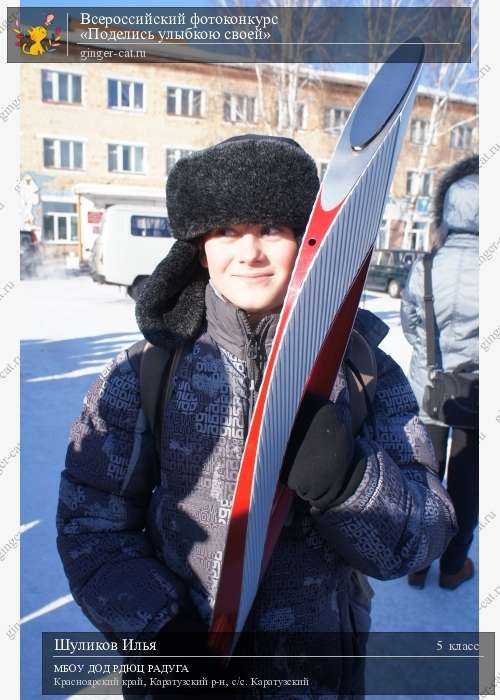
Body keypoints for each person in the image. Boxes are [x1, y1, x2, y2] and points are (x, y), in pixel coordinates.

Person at [56, 135, 457, 698]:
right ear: (200, 246)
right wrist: (160, 634)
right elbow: (90, 524)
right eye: (227, 231)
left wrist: (350, 483)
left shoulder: (363, 368)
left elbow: (422, 536)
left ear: (305, 238)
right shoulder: (145, 372)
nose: (250, 253)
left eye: (271, 229)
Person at [401, 154, 479, 591]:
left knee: (425, 478)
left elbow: (412, 325)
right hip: (480, 396)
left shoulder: (427, 266)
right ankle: (453, 567)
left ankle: (418, 561)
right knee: (468, 484)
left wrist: (432, 363)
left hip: (429, 391)